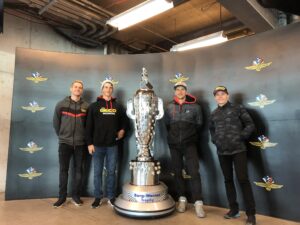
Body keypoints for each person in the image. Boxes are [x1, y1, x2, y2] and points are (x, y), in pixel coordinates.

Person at [209, 86, 256, 225]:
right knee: (228, 180)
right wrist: (216, 141)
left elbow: (250, 124)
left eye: (222, 94)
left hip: (238, 150)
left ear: (227, 95)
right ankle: (233, 210)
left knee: (243, 180)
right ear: (215, 98)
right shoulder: (213, 113)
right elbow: (211, 130)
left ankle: (251, 214)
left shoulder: (238, 108)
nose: (220, 96)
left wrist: (241, 137)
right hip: (222, 152)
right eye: (217, 95)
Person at [165, 80, 205, 218]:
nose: (180, 91)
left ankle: (198, 202)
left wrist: (189, 136)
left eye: (182, 89)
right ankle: (182, 199)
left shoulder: (196, 107)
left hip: (190, 144)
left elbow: (199, 125)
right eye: (177, 89)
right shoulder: (169, 107)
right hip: (174, 144)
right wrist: (174, 137)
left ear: (186, 91)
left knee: (194, 172)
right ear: (175, 91)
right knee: (177, 172)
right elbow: (167, 125)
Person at [86, 77, 126, 209]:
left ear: (112, 90)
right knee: (97, 172)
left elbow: (124, 122)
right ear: (102, 89)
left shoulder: (118, 106)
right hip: (97, 145)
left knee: (111, 172)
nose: (108, 89)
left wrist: (122, 130)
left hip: (112, 146)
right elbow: (88, 127)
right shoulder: (94, 106)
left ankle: (111, 196)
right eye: (106, 87)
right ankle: (97, 197)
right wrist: (89, 144)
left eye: (110, 87)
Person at [53, 80, 89, 208]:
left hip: (80, 144)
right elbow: (56, 123)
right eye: (75, 87)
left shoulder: (86, 106)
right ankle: (62, 198)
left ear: (82, 90)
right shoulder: (61, 105)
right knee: (63, 171)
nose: (77, 89)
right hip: (64, 143)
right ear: (71, 88)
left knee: (78, 171)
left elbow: (89, 126)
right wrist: (63, 136)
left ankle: (75, 196)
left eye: (80, 87)